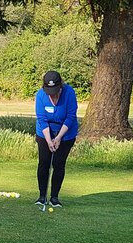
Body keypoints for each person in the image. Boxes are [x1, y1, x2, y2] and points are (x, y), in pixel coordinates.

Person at [34, 70, 78, 208]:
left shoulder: (69, 93)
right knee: (44, 163)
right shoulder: (40, 95)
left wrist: (58, 138)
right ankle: (42, 196)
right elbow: (42, 119)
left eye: (54, 90)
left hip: (66, 133)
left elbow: (71, 116)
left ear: (60, 86)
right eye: (49, 90)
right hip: (44, 132)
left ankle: (54, 198)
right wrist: (49, 140)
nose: (52, 94)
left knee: (58, 164)